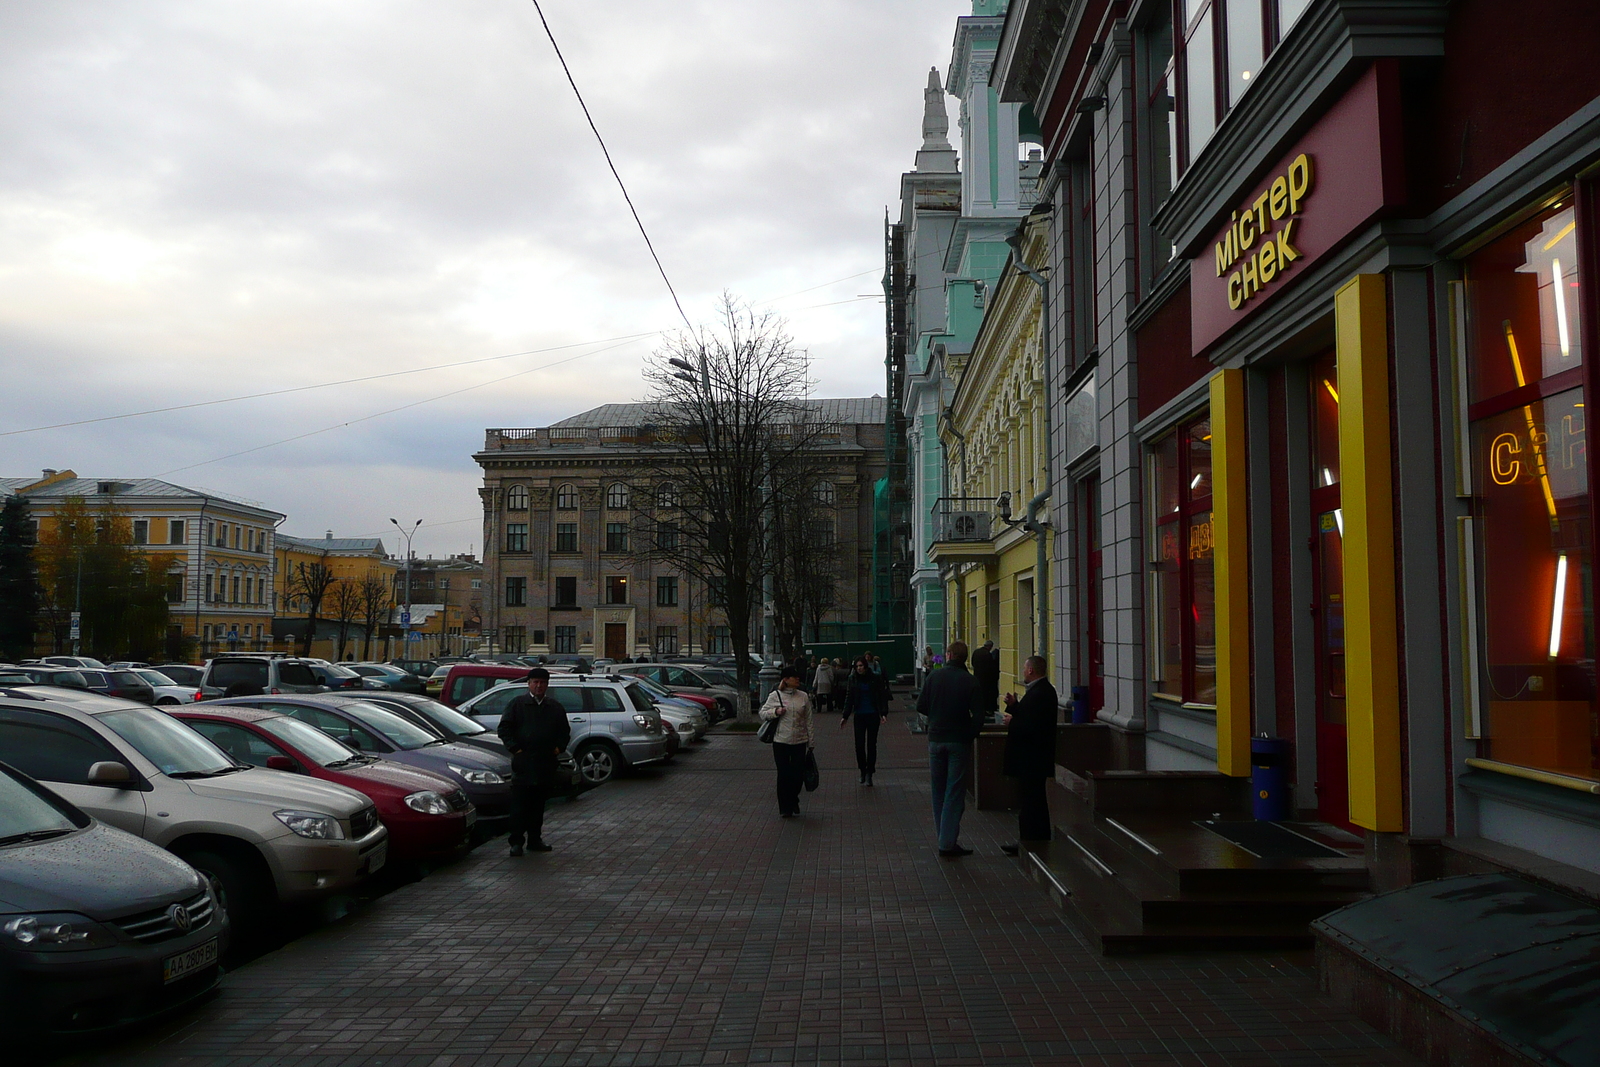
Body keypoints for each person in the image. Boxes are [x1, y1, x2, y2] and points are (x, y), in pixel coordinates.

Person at [497, 667, 571, 856]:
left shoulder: (554, 707)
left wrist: (558, 748)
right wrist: (516, 749)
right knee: (520, 806)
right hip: (523, 764)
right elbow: (505, 729)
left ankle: (535, 839)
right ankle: (516, 842)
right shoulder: (517, 704)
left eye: (542, 682)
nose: (539, 686)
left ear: (547, 685)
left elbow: (564, 731)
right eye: (535, 682)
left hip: (545, 763)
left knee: (538, 806)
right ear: (529, 684)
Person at [917, 640, 982, 856]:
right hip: (958, 741)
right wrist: (969, 734)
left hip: (935, 739)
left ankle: (944, 837)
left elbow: (921, 706)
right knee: (954, 791)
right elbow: (979, 715)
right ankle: (947, 842)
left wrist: (935, 717)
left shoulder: (934, 677)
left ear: (949, 655)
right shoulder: (970, 681)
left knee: (938, 790)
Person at [999, 655, 1059, 855]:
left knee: (1031, 802)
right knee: (1034, 800)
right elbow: (1030, 717)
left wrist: (1012, 722)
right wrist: (1015, 706)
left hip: (1032, 759)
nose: (1023, 672)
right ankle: (1034, 838)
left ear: (1031, 670)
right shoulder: (1040, 691)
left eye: (1025, 669)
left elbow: (1034, 726)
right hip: (1033, 759)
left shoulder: (1041, 693)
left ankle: (1030, 840)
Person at [759, 666, 814, 817]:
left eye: (798, 677)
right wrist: (775, 712)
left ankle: (793, 798)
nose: (798, 679)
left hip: (800, 741)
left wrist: (811, 741)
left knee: (797, 775)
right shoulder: (775, 695)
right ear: (786, 679)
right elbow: (762, 713)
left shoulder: (803, 696)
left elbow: (809, 719)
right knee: (783, 774)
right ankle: (785, 808)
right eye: (794, 677)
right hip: (781, 741)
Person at [838, 655, 891, 784]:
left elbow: (881, 695)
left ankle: (870, 772)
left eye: (861, 666)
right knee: (859, 745)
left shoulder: (875, 678)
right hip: (859, 715)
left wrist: (883, 713)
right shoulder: (853, 679)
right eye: (857, 667)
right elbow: (849, 697)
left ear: (866, 666)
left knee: (872, 744)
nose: (859, 669)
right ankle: (862, 769)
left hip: (872, 714)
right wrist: (845, 715)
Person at [971, 640, 1001, 722]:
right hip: (986, 680)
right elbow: (991, 667)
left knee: (979, 695)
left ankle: (980, 710)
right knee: (985, 696)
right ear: (990, 647)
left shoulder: (976, 652)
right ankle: (986, 711)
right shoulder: (988, 654)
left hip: (977, 677)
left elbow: (972, 663)